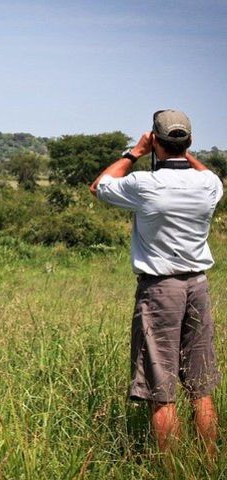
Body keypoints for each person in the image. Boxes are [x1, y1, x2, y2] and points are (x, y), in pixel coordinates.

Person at [90, 110, 222, 456]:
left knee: (160, 387)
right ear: (189, 143)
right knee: (201, 386)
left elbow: (99, 186)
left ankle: (171, 469)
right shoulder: (209, 184)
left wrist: (135, 152)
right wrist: (182, 151)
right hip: (198, 285)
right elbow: (204, 170)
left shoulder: (143, 184)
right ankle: (207, 463)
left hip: (160, 288)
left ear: (155, 143)